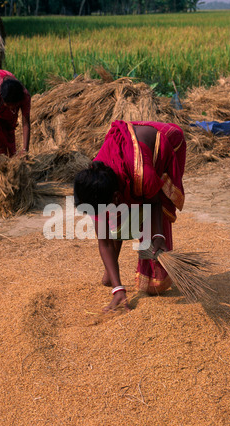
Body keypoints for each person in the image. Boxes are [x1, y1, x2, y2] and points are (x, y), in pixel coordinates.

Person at [74, 120, 186, 312]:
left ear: (116, 197)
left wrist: (158, 236)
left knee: (154, 283)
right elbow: (105, 242)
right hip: (133, 157)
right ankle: (112, 271)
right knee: (112, 229)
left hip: (165, 144)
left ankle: (145, 261)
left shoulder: (143, 176)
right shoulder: (94, 184)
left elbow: (155, 200)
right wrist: (118, 288)